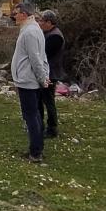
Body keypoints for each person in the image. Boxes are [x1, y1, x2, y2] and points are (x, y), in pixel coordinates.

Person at [10, 3, 50, 163]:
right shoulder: (31, 29)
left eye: (16, 13)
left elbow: (36, 58)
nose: (14, 16)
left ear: (25, 14)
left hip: (28, 80)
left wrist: (43, 78)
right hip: (29, 79)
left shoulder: (30, 32)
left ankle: (35, 152)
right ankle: (37, 148)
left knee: (31, 116)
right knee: (34, 114)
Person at [37, 9, 66, 138]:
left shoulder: (55, 36)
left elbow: (44, 54)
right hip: (47, 72)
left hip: (51, 73)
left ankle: (52, 128)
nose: (40, 23)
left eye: (42, 20)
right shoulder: (49, 33)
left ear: (49, 22)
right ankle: (39, 125)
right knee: (41, 99)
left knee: (48, 101)